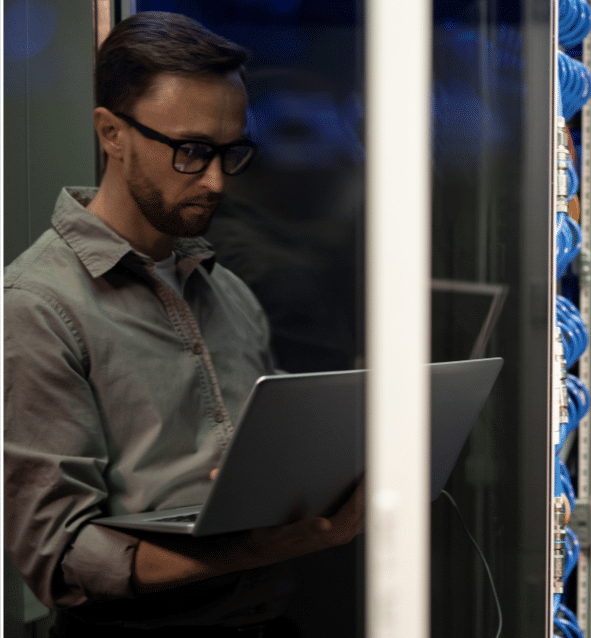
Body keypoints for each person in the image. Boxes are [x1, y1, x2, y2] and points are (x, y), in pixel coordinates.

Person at [4, 12, 363, 636]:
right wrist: (278, 542)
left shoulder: (228, 291)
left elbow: (274, 454)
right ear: (111, 133)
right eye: (191, 152)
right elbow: (60, 560)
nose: (216, 181)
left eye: (233, 153)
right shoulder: (35, 306)